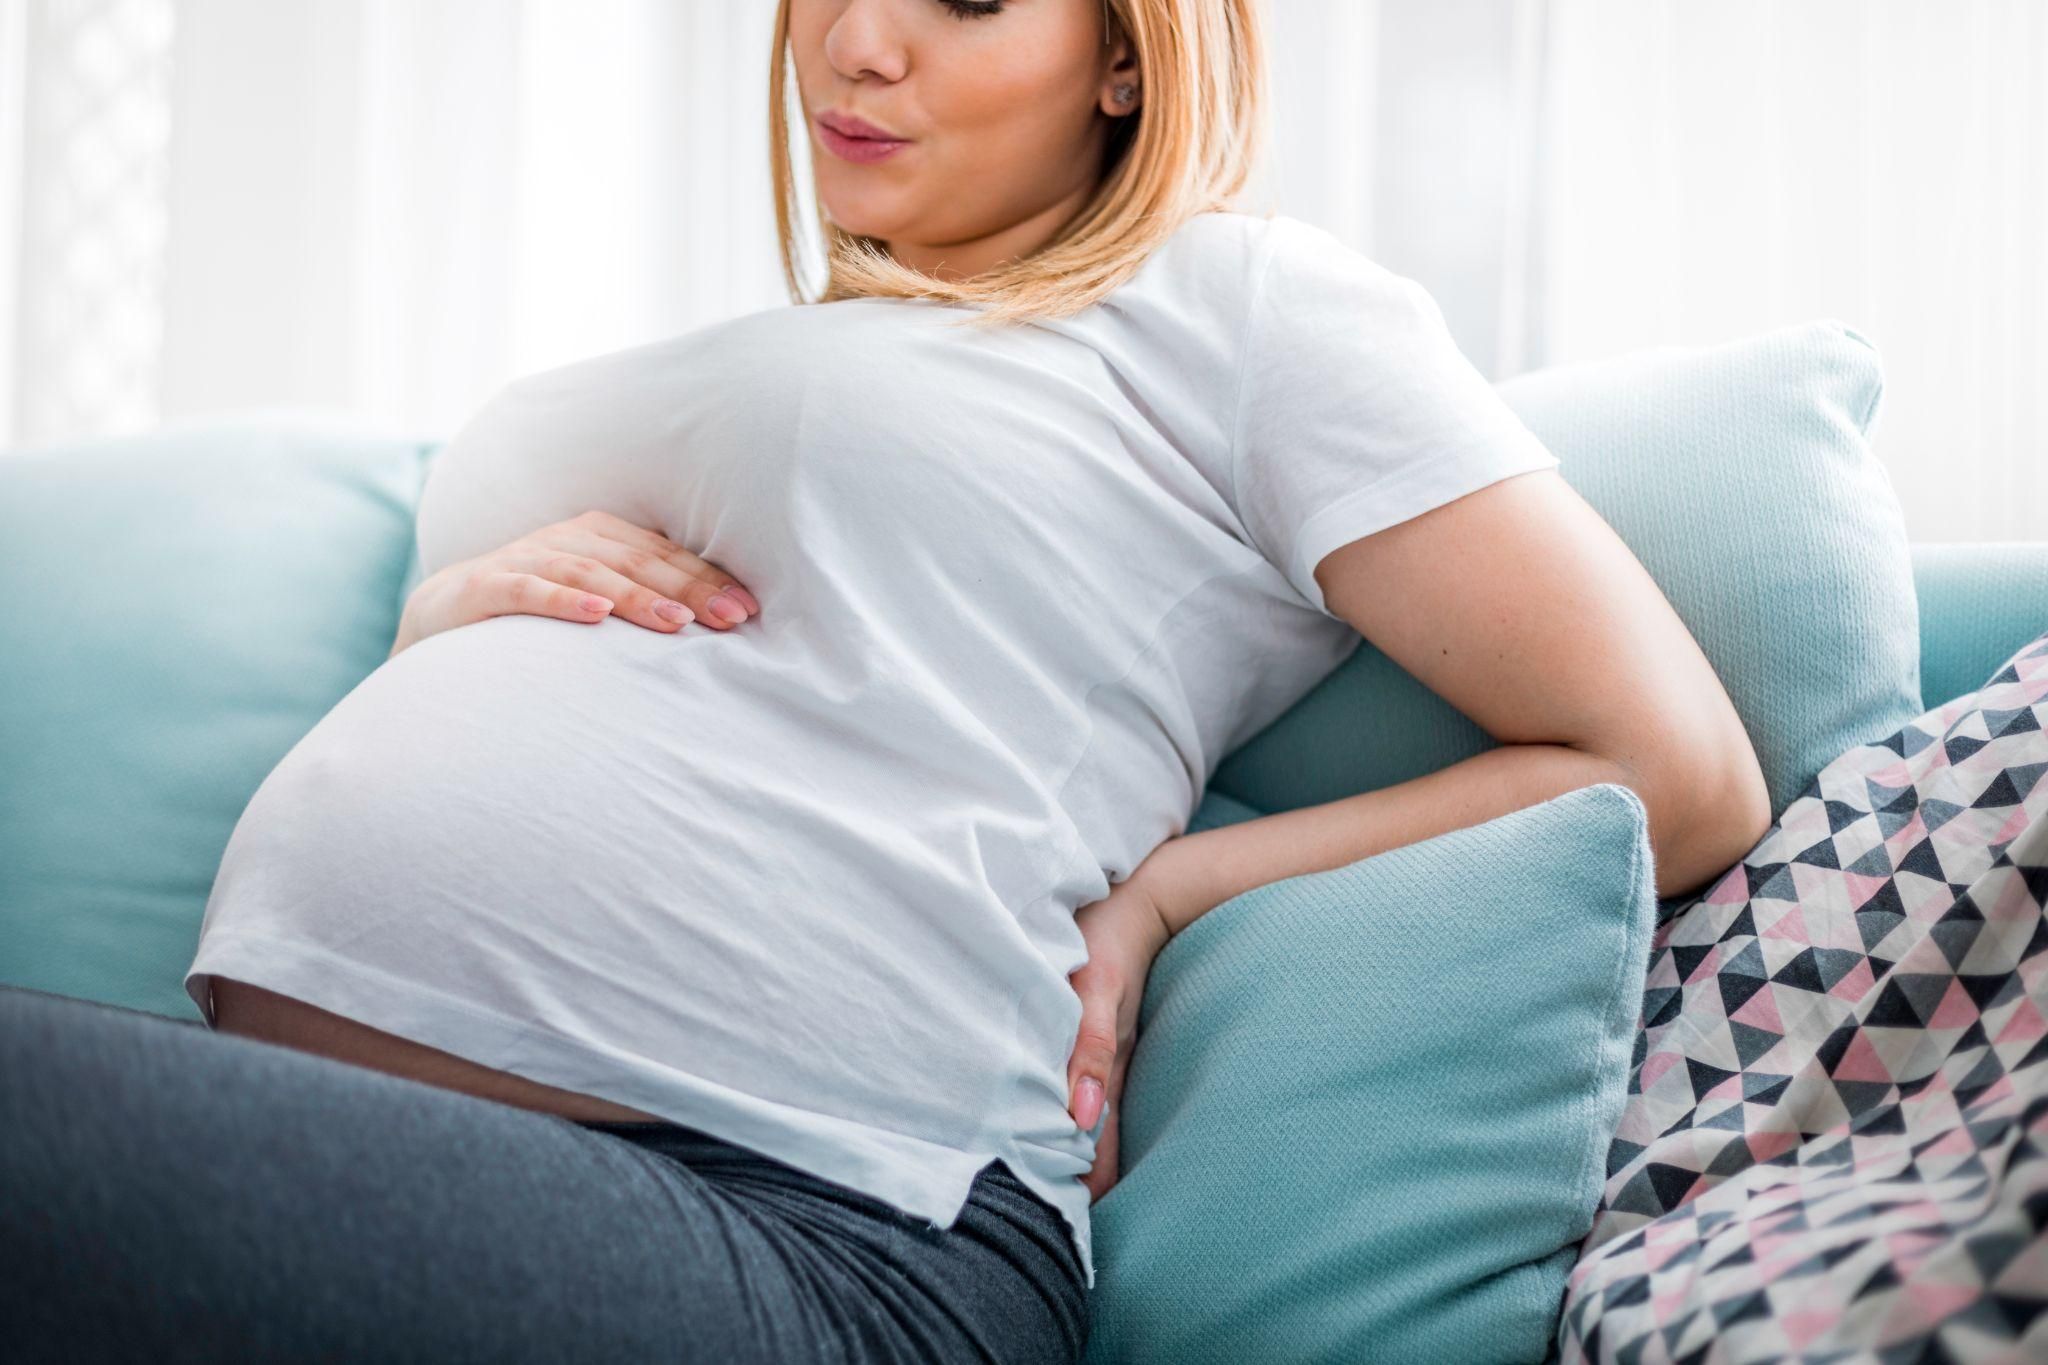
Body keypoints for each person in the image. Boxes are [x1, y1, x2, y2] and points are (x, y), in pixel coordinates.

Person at [0, 0, 1775, 1361]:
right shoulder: (777, 350)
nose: (856, 38)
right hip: (439, 1152)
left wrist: (1173, 889)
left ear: (1124, 63)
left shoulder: (1238, 312)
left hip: (837, 1222)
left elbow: (1677, 766)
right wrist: (451, 612)